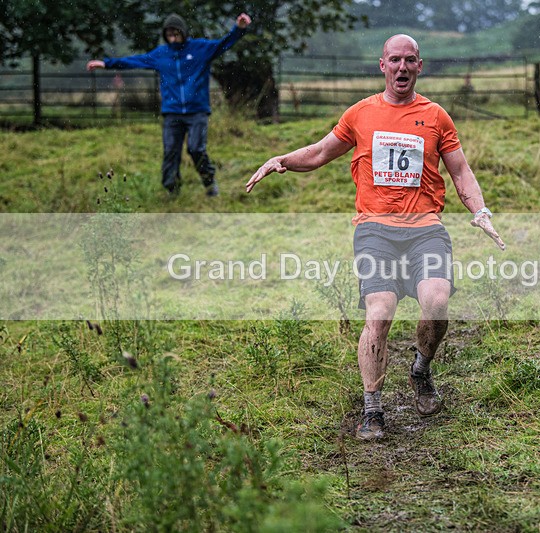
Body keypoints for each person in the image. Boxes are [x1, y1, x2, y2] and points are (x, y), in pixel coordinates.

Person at [245, 34, 505, 441]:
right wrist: (281, 161)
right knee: (379, 312)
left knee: (436, 304)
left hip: (425, 230)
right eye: (395, 60)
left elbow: (460, 171)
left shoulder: (436, 116)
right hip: (375, 231)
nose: (402, 67)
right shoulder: (361, 114)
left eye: (410, 60)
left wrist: (481, 211)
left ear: (420, 66)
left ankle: (420, 369)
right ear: (382, 65)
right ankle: (373, 409)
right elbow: (318, 152)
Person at [86, 13, 252, 197]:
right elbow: (134, 61)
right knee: (171, 152)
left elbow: (224, 43)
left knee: (196, 149)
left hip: (197, 111)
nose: (173, 39)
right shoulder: (161, 54)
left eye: (176, 34)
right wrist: (106, 64)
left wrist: (239, 29)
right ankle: (172, 190)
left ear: (183, 32)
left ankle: (209, 182)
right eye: (169, 35)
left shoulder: (200, 49)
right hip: (172, 112)